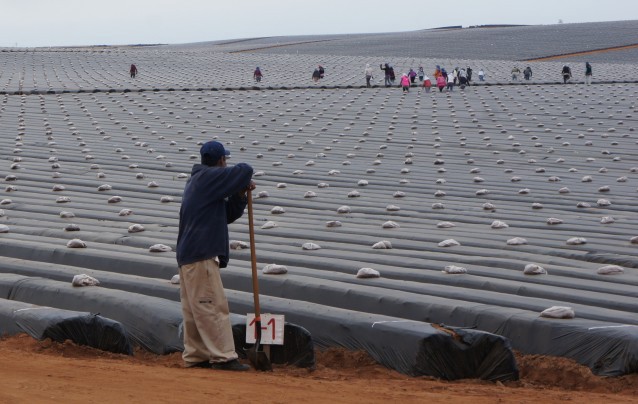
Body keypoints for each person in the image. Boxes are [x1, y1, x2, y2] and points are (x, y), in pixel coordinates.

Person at [176, 140, 255, 371]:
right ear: (220, 161)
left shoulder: (199, 182)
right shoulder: (208, 178)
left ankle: (197, 355)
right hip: (201, 253)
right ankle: (223, 357)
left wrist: (239, 195)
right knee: (211, 305)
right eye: (225, 160)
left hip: (189, 254)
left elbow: (225, 215)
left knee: (195, 309)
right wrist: (241, 181)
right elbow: (246, 169)